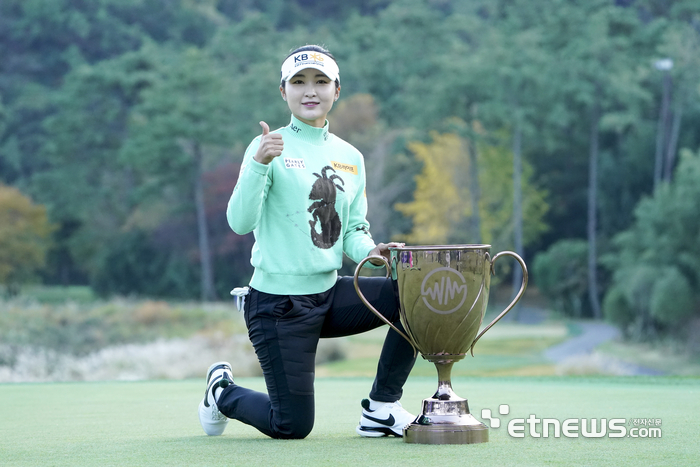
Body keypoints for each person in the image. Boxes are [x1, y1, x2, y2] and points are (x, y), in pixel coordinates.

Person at [198, 45, 416, 440]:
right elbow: (239, 221)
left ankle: (382, 408)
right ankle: (222, 392)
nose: (309, 90)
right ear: (284, 92)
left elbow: (351, 230)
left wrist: (369, 251)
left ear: (337, 89)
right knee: (292, 426)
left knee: (415, 298)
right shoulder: (268, 146)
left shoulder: (350, 157)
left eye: (320, 81)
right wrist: (259, 164)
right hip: (278, 306)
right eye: (298, 82)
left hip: (328, 294)